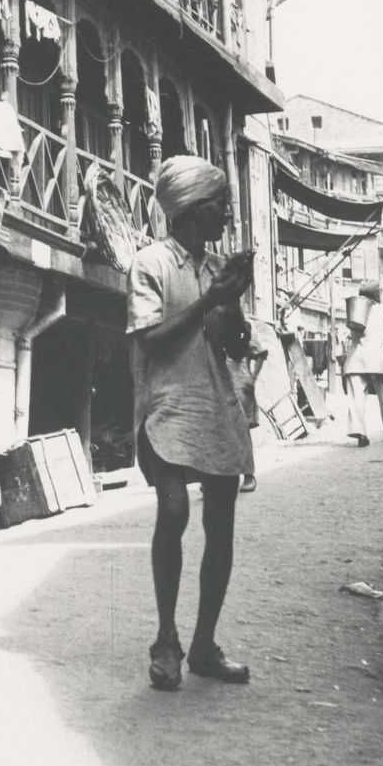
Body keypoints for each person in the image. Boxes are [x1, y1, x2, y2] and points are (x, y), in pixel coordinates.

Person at [127, 156, 256, 691]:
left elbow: (233, 344)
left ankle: (203, 644)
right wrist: (212, 299)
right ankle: (165, 640)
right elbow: (150, 339)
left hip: (215, 405)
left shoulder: (215, 268)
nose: (227, 214)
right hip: (166, 406)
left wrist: (234, 304)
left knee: (221, 523)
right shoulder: (151, 263)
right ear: (193, 210)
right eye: (220, 205)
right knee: (174, 510)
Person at [344, 279, 383, 446]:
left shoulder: (354, 309)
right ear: (377, 294)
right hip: (377, 359)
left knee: (356, 397)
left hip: (356, 359)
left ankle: (358, 431)